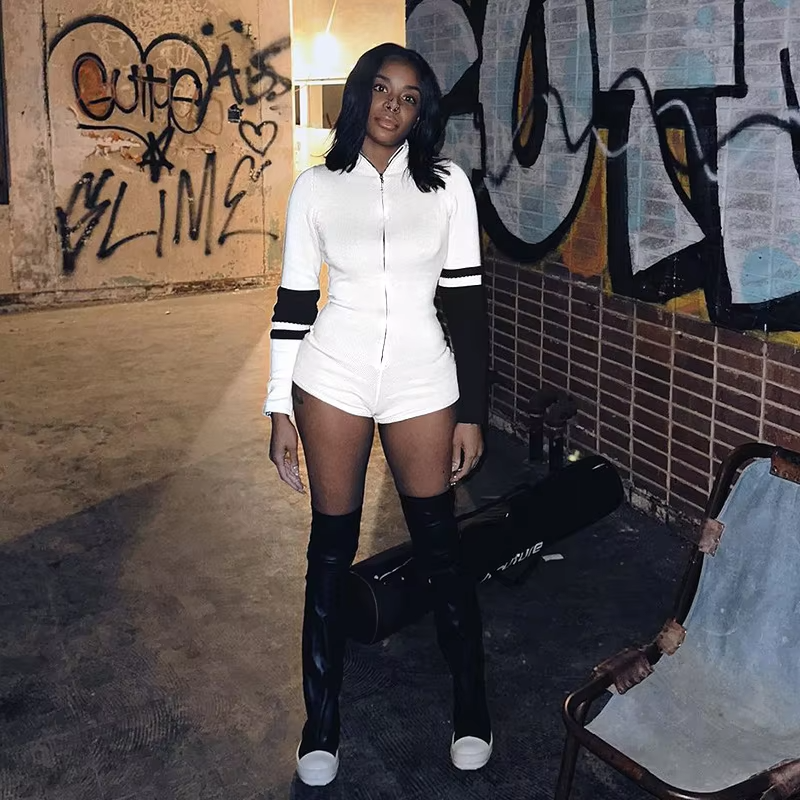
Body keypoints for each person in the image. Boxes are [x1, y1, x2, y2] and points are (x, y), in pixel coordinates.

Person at [264, 42, 491, 787]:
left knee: (440, 548)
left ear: (422, 112)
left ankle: (470, 707)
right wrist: (279, 405)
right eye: (383, 90)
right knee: (330, 551)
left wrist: (473, 410)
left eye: (409, 97)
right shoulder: (316, 187)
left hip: (423, 379)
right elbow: (295, 302)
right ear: (360, 94)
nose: (393, 106)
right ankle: (322, 723)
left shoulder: (448, 186)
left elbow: (467, 304)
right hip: (333, 375)